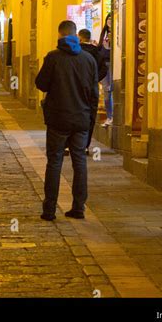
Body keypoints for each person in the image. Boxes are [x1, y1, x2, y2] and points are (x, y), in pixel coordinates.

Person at [35, 20, 98, 221]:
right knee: (79, 162)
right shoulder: (88, 60)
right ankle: (78, 207)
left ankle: (49, 209)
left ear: (59, 34)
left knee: (54, 162)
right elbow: (94, 95)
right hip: (81, 119)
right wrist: (90, 119)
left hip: (58, 119)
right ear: (76, 35)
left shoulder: (53, 58)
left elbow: (41, 84)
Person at [77, 29, 102, 154]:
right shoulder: (96, 51)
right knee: (90, 116)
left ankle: (71, 144)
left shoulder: (76, 51)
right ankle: (85, 145)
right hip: (92, 88)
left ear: (79, 38)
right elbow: (103, 68)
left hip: (77, 87)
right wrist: (96, 79)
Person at [98, 13, 113, 127]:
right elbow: (100, 48)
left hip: (112, 65)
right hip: (104, 65)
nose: (109, 20)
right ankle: (109, 117)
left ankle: (112, 116)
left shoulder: (116, 34)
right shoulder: (104, 34)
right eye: (108, 18)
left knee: (110, 90)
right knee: (106, 92)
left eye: (112, 19)